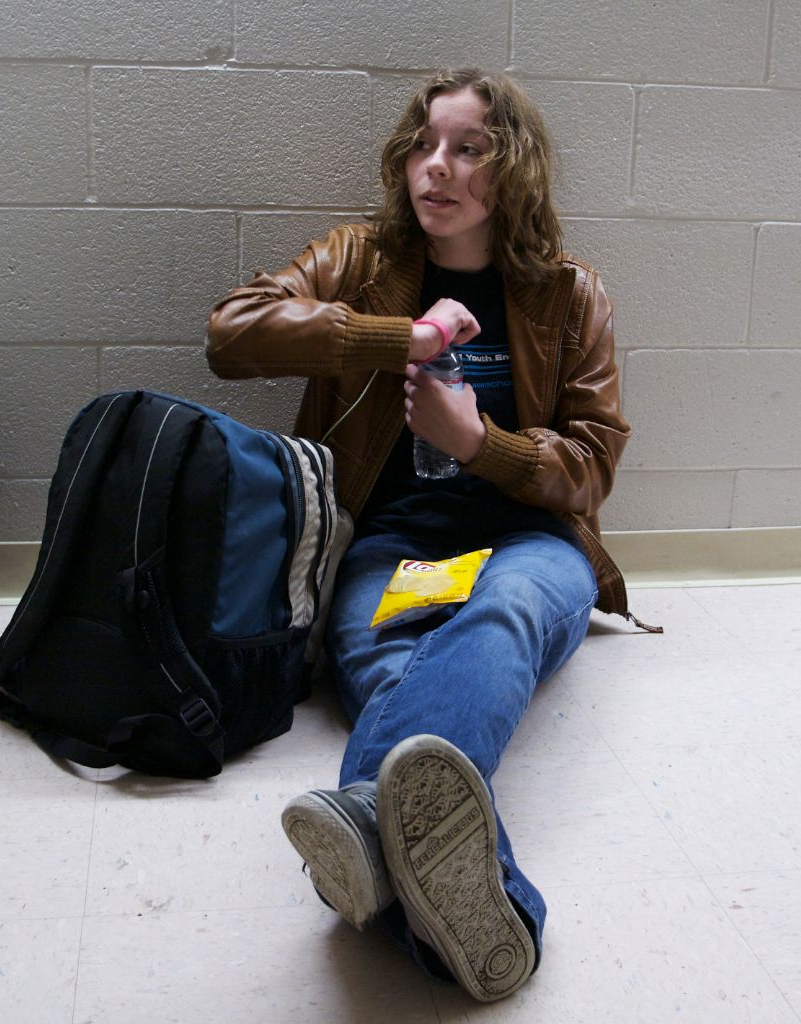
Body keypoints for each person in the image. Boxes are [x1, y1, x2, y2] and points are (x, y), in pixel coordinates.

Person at [206, 68, 648, 1002]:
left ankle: (368, 835)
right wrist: (399, 339)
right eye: (423, 144)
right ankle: (489, 915)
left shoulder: (571, 295)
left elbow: (592, 463)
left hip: (529, 541)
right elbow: (233, 333)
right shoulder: (360, 259)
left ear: (513, 167)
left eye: (467, 148)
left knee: (503, 615)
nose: (435, 167)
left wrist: (480, 443)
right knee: (387, 665)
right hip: (392, 543)